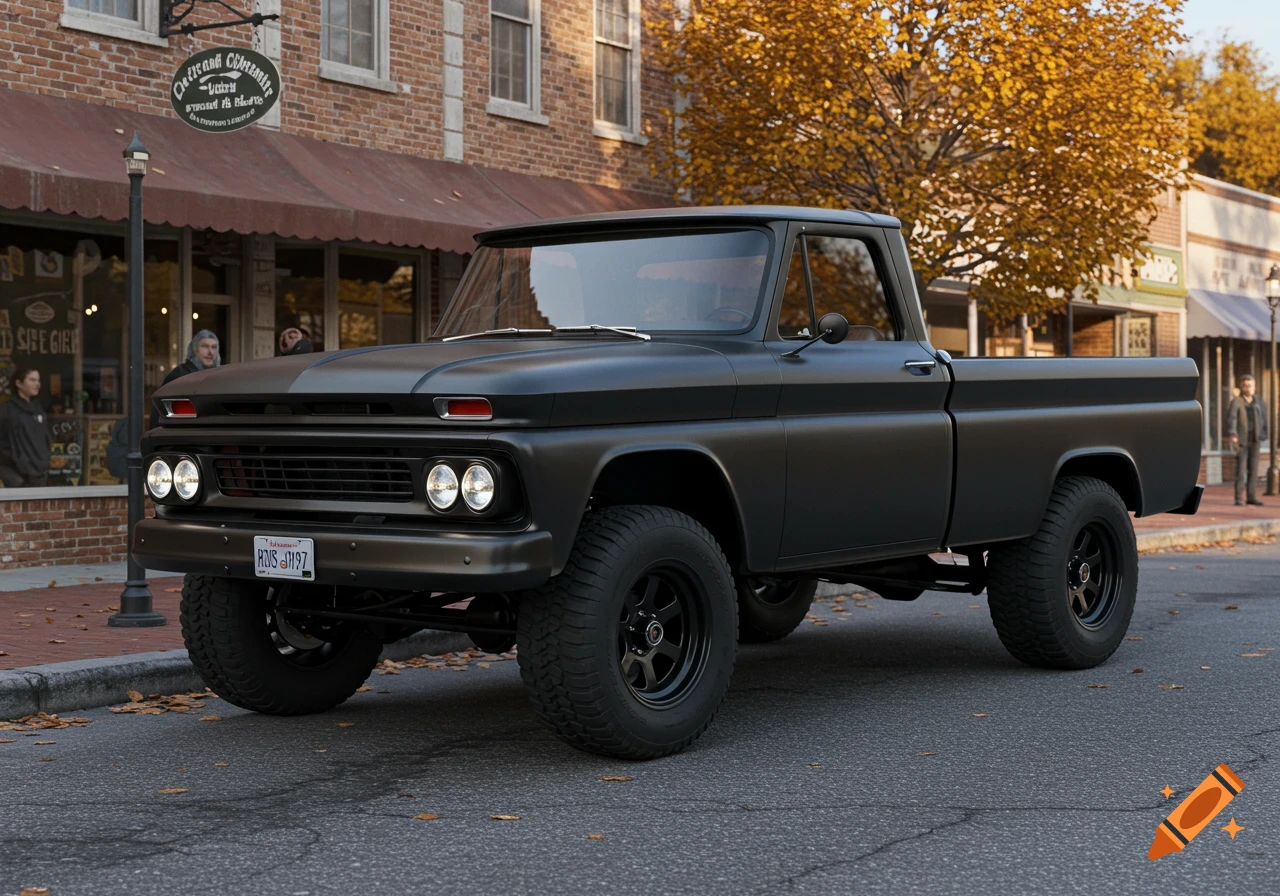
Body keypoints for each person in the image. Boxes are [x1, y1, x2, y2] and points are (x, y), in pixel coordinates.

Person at [150, 329, 221, 429]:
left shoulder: (216, 378)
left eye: (214, 347)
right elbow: (160, 413)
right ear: (194, 349)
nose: (210, 352)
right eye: (204, 346)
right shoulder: (179, 375)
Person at [0, 367, 52, 488]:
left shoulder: (38, 409)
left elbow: (44, 439)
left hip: (40, 474)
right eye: (32, 380)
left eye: (38, 380)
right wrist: (13, 476)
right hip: (17, 476)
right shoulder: (7, 410)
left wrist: (45, 462)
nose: (37, 384)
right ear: (18, 383)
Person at [1226, 374, 1269, 507]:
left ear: (1254, 386)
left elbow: (1264, 418)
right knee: (1240, 470)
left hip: (1255, 439)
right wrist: (1233, 434)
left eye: (1250, 385)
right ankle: (1238, 498)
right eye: (1245, 386)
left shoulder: (1259, 401)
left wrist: (1264, 433)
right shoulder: (1237, 401)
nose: (1248, 388)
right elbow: (1232, 418)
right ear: (1242, 387)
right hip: (1242, 440)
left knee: (1253, 469)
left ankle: (1251, 497)